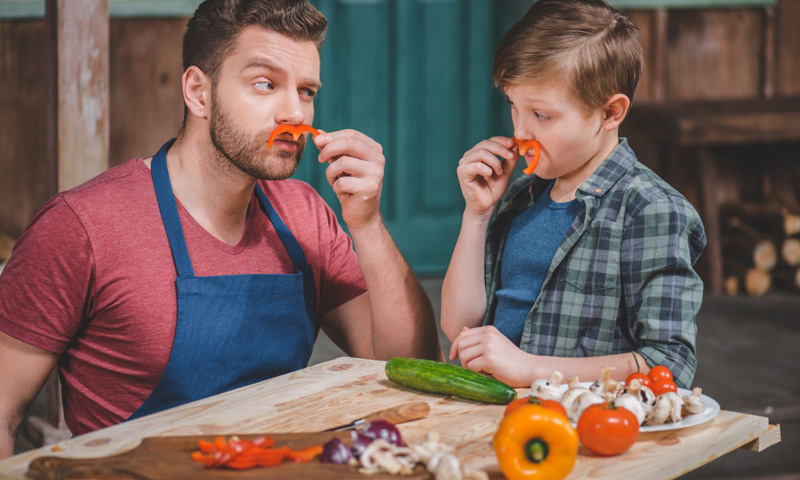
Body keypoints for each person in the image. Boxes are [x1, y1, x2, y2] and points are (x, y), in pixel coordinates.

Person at [0, 0, 440, 457]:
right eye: (265, 84)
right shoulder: (81, 226)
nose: (296, 113)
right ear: (198, 92)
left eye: (307, 91)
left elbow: (408, 367)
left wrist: (367, 225)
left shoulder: (304, 215)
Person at [442, 0, 705, 390]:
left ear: (610, 113)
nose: (520, 131)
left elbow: (668, 364)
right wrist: (476, 216)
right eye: (514, 107)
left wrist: (530, 369)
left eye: (542, 115)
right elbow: (458, 328)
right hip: (493, 416)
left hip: (586, 430)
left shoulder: (652, 210)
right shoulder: (520, 198)